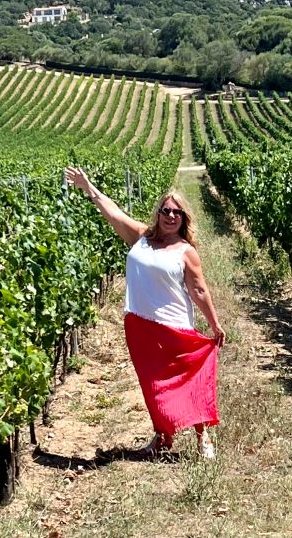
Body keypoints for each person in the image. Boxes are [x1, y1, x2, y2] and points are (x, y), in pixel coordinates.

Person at [64, 167, 225, 459]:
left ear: (184, 218)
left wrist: (215, 325)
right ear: (159, 212)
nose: (171, 216)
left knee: (188, 381)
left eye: (177, 213)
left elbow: (200, 291)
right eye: (166, 210)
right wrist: (89, 188)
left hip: (174, 326)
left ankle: (203, 437)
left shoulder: (186, 251)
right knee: (153, 385)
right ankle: (163, 436)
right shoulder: (141, 237)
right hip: (139, 326)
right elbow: (113, 212)